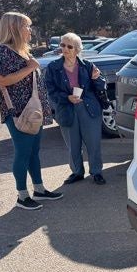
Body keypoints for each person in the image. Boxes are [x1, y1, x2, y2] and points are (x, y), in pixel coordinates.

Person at [0, 12, 63, 211]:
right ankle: (22, 196)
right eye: (26, 26)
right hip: (18, 112)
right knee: (23, 152)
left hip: (33, 110)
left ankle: (39, 189)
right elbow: (1, 80)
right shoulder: (2, 51)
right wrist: (30, 68)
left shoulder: (23, 51)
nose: (30, 30)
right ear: (14, 28)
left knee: (33, 152)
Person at [45, 32, 107, 185]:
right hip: (67, 109)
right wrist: (66, 98)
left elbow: (101, 86)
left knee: (93, 143)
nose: (65, 49)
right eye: (62, 45)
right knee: (73, 144)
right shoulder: (53, 67)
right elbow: (50, 91)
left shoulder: (87, 65)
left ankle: (96, 172)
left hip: (89, 108)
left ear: (78, 49)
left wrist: (96, 78)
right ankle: (77, 172)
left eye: (69, 46)